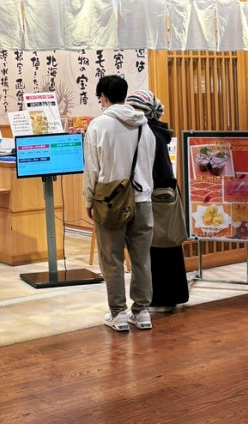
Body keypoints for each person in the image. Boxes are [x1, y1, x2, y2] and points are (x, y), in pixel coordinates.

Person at [83, 75, 156, 332]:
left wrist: (88, 199)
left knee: (112, 258)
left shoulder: (99, 126)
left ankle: (118, 314)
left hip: (111, 202)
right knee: (141, 257)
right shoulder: (144, 125)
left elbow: (92, 168)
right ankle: (142, 311)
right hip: (144, 199)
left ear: (103, 97)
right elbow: (148, 164)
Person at [127, 90, 190, 311]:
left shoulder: (148, 134)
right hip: (165, 194)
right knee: (166, 245)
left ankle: (162, 298)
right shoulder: (158, 132)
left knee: (158, 246)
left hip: (156, 196)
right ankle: (169, 297)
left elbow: (155, 171)